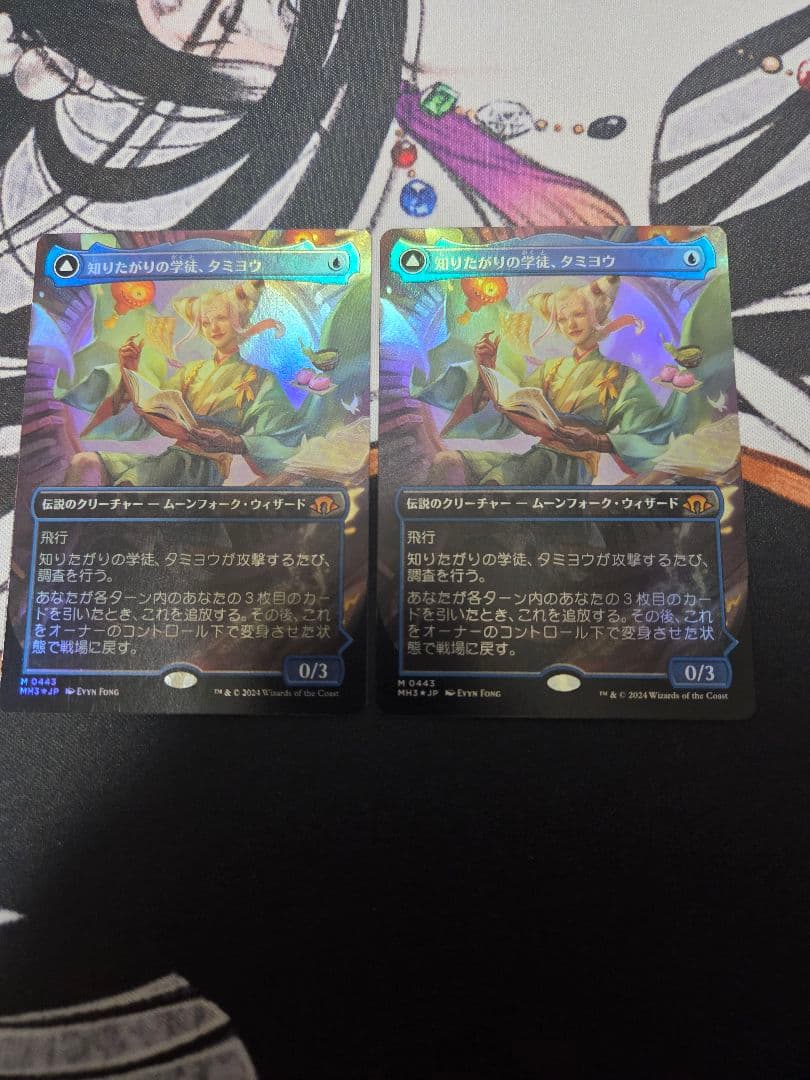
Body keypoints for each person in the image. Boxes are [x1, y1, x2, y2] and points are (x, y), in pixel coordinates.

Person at [424, 275, 688, 486]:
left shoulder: (622, 376)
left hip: (569, 468)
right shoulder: (551, 369)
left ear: (597, 317)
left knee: (496, 485)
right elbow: (512, 410)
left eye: (578, 314)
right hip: (538, 457)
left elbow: (649, 436)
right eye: (562, 318)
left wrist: (596, 442)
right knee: (447, 464)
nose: (570, 324)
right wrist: (487, 371)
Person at [61, 280, 308, 487]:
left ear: (238, 321)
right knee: (84, 463)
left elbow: (283, 439)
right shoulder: (192, 371)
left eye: (221, 318)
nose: (213, 328)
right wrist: (130, 372)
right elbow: (153, 410)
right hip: (173, 457)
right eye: (206, 322)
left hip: (200, 470)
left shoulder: (259, 378)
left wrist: (234, 443)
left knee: (127, 489)